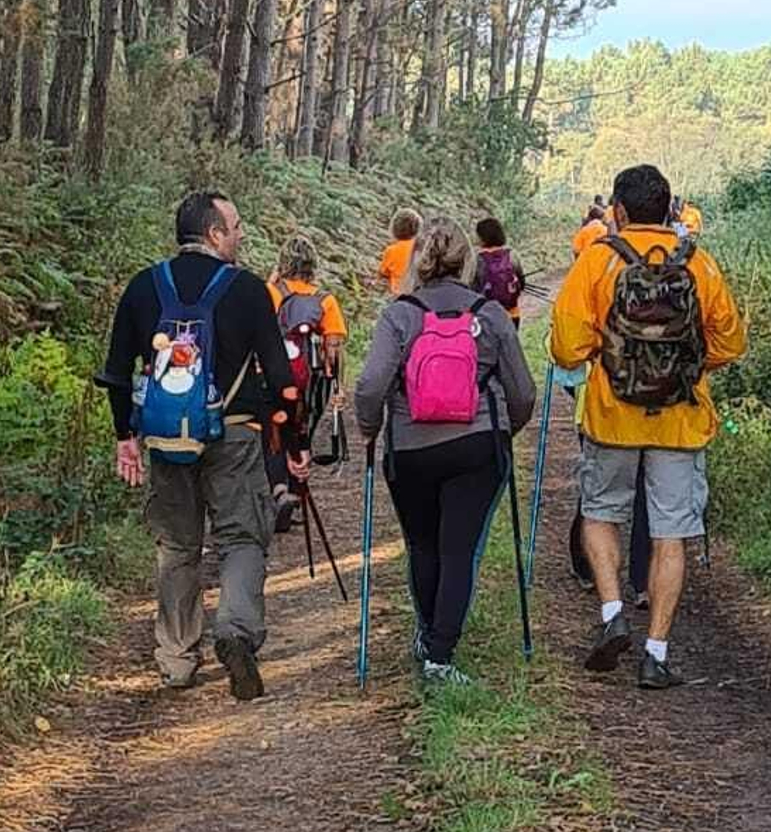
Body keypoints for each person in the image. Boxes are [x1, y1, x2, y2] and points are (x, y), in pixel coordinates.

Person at [550, 162, 745, 690]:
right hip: (680, 420)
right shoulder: (699, 266)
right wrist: (683, 368)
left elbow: (567, 347)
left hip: (612, 416)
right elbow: (730, 343)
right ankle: (656, 653)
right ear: (671, 209)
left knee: (600, 513)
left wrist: (608, 357)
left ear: (617, 211)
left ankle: (613, 612)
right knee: (671, 534)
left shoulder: (596, 262)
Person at [102, 190, 299, 701]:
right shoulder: (249, 290)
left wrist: (126, 436)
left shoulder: (144, 288)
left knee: (177, 545)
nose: (240, 233)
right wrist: (292, 438)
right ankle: (235, 630)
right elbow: (281, 377)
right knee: (241, 538)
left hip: (167, 439)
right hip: (234, 434)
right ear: (214, 233)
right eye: (234, 225)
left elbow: (118, 371)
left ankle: (176, 659)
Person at [355, 214, 536, 689]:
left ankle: (427, 634)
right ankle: (440, 655)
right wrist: (500, 433)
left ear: (419, 259)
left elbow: (371, 384)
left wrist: (370, 430)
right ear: (466, 259)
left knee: (423, 544)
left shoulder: (400, 313)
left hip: (410, 449)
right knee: (459, 549)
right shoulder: (491, 314)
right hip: (477, 446)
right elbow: (523, 392)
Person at [265, 236, 348, 526]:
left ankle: (278, 491)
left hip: (273, 376)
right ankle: (297, 493)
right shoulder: (325, 300)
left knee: (274, 432)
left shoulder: (271, 292)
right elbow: (333, 347)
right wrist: (336, 385)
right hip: (309, 380)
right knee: (302, 431)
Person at [473, 213, 527, 324]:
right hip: (512, 314)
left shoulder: (477, 260)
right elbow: (521, 284)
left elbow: (473, 289)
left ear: (482, 237)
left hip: (487, 317)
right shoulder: (512, 255)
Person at [375, 209, 421, 299]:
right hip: (419, 295)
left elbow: (382, 274)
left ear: (394, 229)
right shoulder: (421, 249)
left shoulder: (391, 251)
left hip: (398, 296)